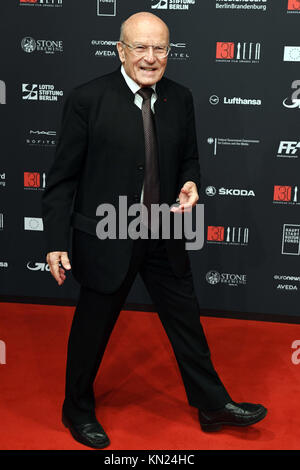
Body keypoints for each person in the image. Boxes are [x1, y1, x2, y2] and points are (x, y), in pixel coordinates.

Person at [42, 12, 267, 449]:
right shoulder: (87, 99)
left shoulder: (180, 98)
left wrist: (190, 184)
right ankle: (77, 408)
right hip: (107, 234)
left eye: (160, 48)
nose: (151, 57)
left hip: (163, 230)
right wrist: (54, 242)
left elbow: (190, 159)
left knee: (186, 321)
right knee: (92, 329)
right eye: (140, 47)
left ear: (170, 51)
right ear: (121, 50)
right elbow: (62, 178)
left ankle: (212, 404)